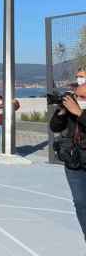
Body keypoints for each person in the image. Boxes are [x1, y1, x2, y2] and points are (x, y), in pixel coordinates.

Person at [49, 70, 86, 241]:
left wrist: (79, 112)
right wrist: (62, 112)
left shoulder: (78, 108)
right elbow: (55, 127)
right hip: (74, 162)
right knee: (80, 204)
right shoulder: (73, 104)